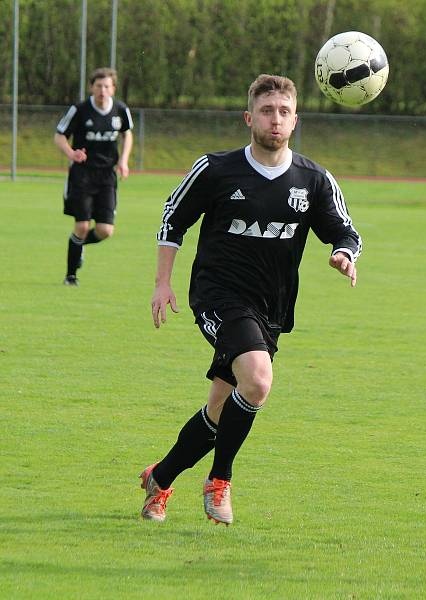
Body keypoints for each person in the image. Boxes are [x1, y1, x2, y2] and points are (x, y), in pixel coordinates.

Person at [140, 74, 362, 526]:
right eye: (266, 111)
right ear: (248, 118)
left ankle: (159, 479)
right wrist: (163, 282)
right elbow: (172, 220)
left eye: (283, 111)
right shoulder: (217, 170)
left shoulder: (313, 179)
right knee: (258, 380)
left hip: (271, 308)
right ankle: (219, 481)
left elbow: (345, 230)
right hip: (218, 295)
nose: (275, 119)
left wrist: (343, 253)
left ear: (295, 120)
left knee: (222, 408)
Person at [54, 67, 134, 285]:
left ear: (113, 88)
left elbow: (127, 135)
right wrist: (71, 153)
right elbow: (60, 135)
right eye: (98, 86)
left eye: (107, 86)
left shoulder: (120, 109)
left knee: (105, 230)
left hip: (107, 176)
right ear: (91, 87)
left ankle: (79, 247)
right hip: (82, 175)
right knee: (81, 225)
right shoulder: (79, 110)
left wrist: (124, 161)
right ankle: (71, 275)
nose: (102, 90)